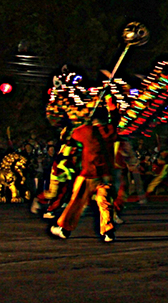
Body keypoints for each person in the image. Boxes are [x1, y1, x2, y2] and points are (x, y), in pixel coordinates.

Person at [51, 103, 118, 242]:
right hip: (106, 174)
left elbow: (73, 134)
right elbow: (116, 117)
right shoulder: (111, 130)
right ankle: (108, 230)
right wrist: (111, 103)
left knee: (76, 202)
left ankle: (65, 228)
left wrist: (84, 122)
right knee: (104, 202)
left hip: (89, 173)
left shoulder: (87, 131)